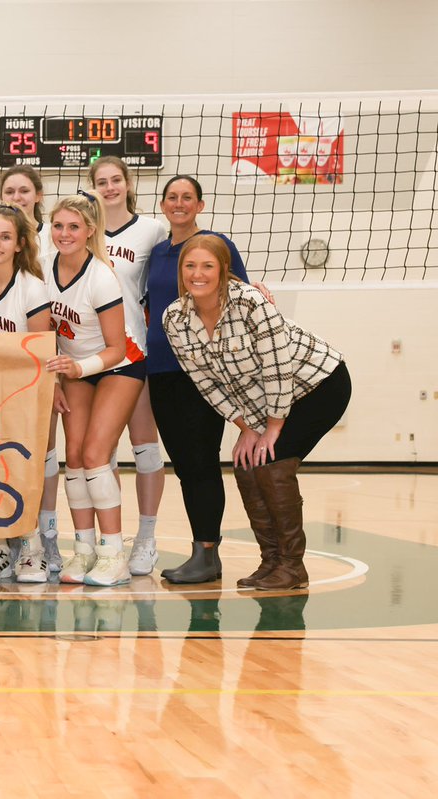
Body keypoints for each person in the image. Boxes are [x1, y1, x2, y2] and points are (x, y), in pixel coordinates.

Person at [163, 234, 350, 590]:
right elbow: (205, 383)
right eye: (190, 266)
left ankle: (293, 567)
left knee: (273, 464)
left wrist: (273, 427)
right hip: (268, 403)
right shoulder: (175, 318)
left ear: (223, 270)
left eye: (207, 266)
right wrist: (246, 427)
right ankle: (271, 562)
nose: (197, 274)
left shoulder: (249, 302)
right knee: (248, 466)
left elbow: (276, 365)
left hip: (318, 384)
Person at [146, 175, 253, 583]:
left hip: (202, 369)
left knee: (201, 460)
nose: (179, 203)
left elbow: (240, 297)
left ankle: (206, 553)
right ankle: (202, 551)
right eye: (172, 197)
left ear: (200, 205)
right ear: (162, 205)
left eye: (187, 197)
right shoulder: (157, 253)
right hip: (160, 368)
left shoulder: (215, 246)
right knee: (186, 464)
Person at [45, 190, 146, 587]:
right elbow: (45, 333)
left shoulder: (102, 276)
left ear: (90, 231)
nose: (65, 233)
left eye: (74, 227)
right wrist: (59, 376)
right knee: (73, 456)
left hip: (119, 365)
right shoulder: (42, 268)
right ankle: (83, 549)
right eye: (58, 225)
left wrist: (77, 367)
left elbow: (117, 347)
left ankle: (112, 553)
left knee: (95, 454)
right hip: (75, 369)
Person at [0, 204, 60, 582]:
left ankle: (32, 548)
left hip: (22, 393)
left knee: (21, 467)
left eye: (5, 237)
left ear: (20, 244)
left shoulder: (32, 288)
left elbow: (40, 348)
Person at [89, 156, 168, 576]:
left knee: (146, 450)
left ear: (128, 182)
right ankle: (109, 543)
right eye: (101, 182)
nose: (110, 188)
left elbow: (178, 268)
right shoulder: (83, 229)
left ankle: (147, 538)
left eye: (116, 180)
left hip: (134, 349)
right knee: (100, 454)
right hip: (89, 352)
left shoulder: (152, 230)